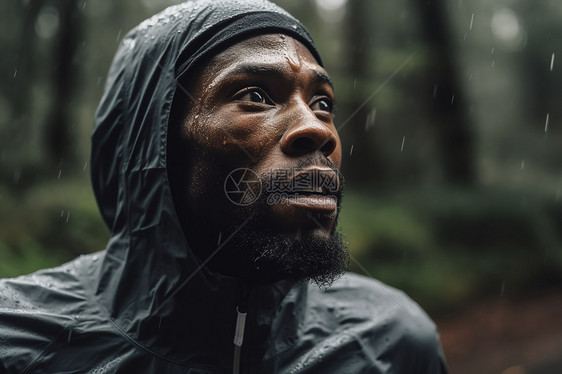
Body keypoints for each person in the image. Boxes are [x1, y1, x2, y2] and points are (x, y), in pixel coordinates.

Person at [0, 0, 449, 372]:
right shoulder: (21, 345)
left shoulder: (391, 342)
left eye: (322, 103)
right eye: (255, 95)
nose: (319, 129)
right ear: (151, 148)